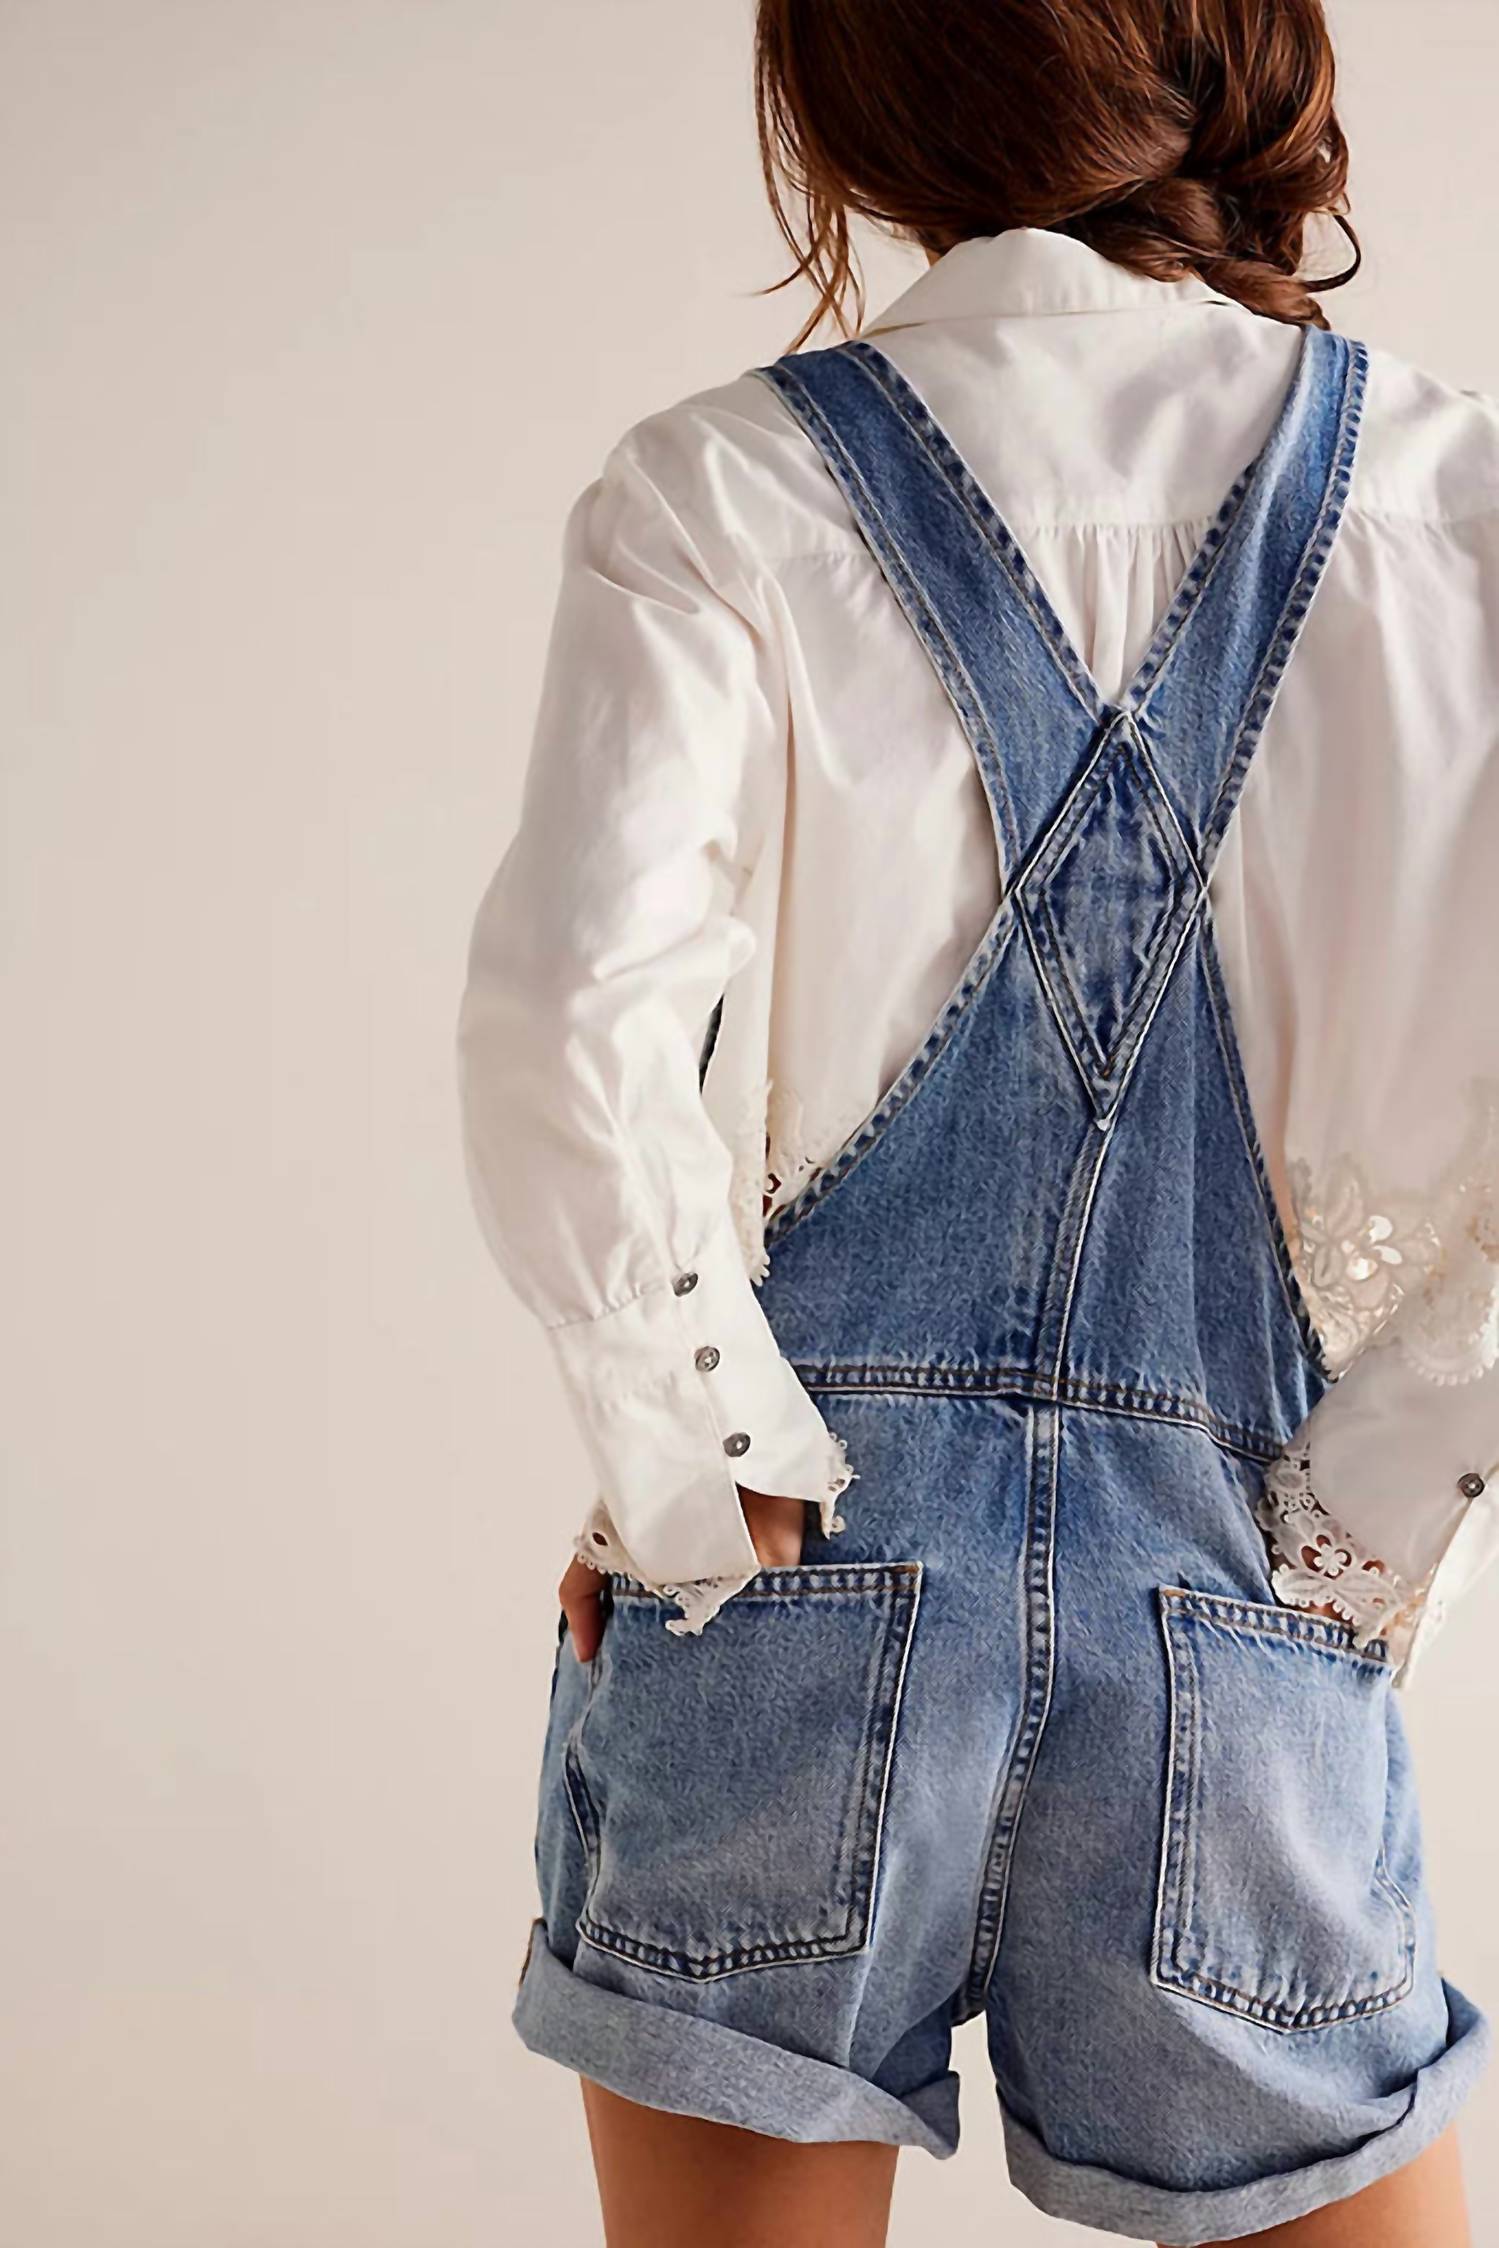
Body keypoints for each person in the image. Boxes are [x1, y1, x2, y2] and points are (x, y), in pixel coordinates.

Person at [455, 3, 1499, 2240]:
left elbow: (569, 1023)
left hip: (800, 1593)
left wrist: (699, 1456)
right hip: (1245, 1601)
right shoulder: (1460, 504)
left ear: (854, 96)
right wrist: (1367, 1513)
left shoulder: (718, 488)